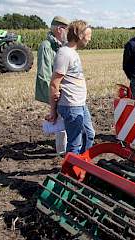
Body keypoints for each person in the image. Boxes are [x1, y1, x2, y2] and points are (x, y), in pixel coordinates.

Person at [46, 20, 95, 154]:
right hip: (71, 105)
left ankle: (83, 164)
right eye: (88, 35)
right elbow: (54, 83)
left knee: (89, 135)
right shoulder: (65, 53)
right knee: (75, 143)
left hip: (79, 104)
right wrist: (53, 111)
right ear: (80, 35)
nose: (89, 39)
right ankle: (71, 170)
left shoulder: (72, 53)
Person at [35, 16, 70, 154]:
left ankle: (65, 150)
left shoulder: (63, 46)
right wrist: (53, 95)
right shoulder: (46, 46)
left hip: (65, 90)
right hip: (56, 90)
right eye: (68, 30)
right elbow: (44, 74)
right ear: (60, 29)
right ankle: (62, 152)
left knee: (65, 120)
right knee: (61, 122)